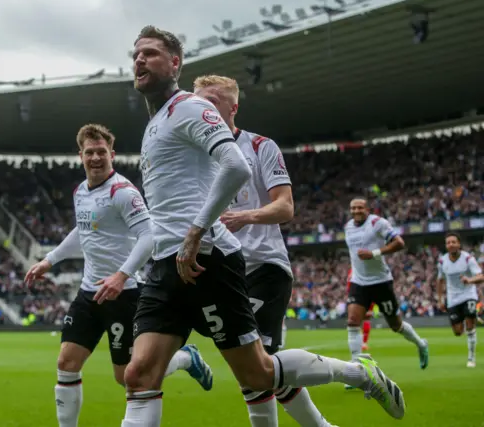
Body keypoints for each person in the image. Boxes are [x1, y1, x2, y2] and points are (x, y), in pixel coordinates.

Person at [120, 25, 406, 427]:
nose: (139, 59)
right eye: (136, 54)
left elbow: (240, 170)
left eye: (150, 53)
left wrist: (197, 230)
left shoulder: (192, 109)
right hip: (167, 265)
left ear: (175, 63)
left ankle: (358, 373)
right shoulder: (155, 125)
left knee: (257, 375)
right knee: (138, 374)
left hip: (209, 259)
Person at [24, 124, 213, 427]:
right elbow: (83, 229)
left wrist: (122, 276)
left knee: (125, 375)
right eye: (90, 152)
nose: (96, 158)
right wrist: (50, 260)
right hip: (89, 293)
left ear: (112, 154)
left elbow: (148, 236)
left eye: (101, 152)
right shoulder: (81, 191)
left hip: (124, 294)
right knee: (66, 363)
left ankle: (185, 358)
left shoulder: (122, 192)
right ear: (80, 155)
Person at [194, 74, 337, 427]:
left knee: (253, 367)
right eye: (198, 102)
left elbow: (285, 208)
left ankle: (354, 374)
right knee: (262, 367)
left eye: (212, 101)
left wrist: (245, 217)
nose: (203, 109)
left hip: (265, 267)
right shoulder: (194, 156)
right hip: (224, 271)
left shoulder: (259, 146)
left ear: (233, 107)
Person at [344, 198, 429, 381]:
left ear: (367, 209)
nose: (356, 210)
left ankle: (421, 344)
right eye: (353, 208)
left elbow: (399, 242)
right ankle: (357, 371)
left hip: (381, 282)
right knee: (352, 321)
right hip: (359, 282)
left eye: (360, 207)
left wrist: (374, 253)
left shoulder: (377, 223)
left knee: (395, 325)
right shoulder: (348, 226)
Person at [438, 232, 483, 367]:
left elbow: (481, 276)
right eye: (448, 243)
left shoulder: (468, 259)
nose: (451, 244)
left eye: (453, 242)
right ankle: (467, 318)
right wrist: (440, 299)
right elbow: (440, 280)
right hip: (453, 298)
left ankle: (471, 357)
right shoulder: (442, 261)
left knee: (470, 326)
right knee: (458, 332)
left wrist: (469, 280)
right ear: (446, 246)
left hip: (468, 295)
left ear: (459, 244)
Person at [347, 268, 372, 352]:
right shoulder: (366, 267)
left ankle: (360, 344)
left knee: (357, 320)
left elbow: (349, 284)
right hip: (367, 292)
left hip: (355, 294)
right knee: (365, 319)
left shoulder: (353, 269)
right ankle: (363, 343)